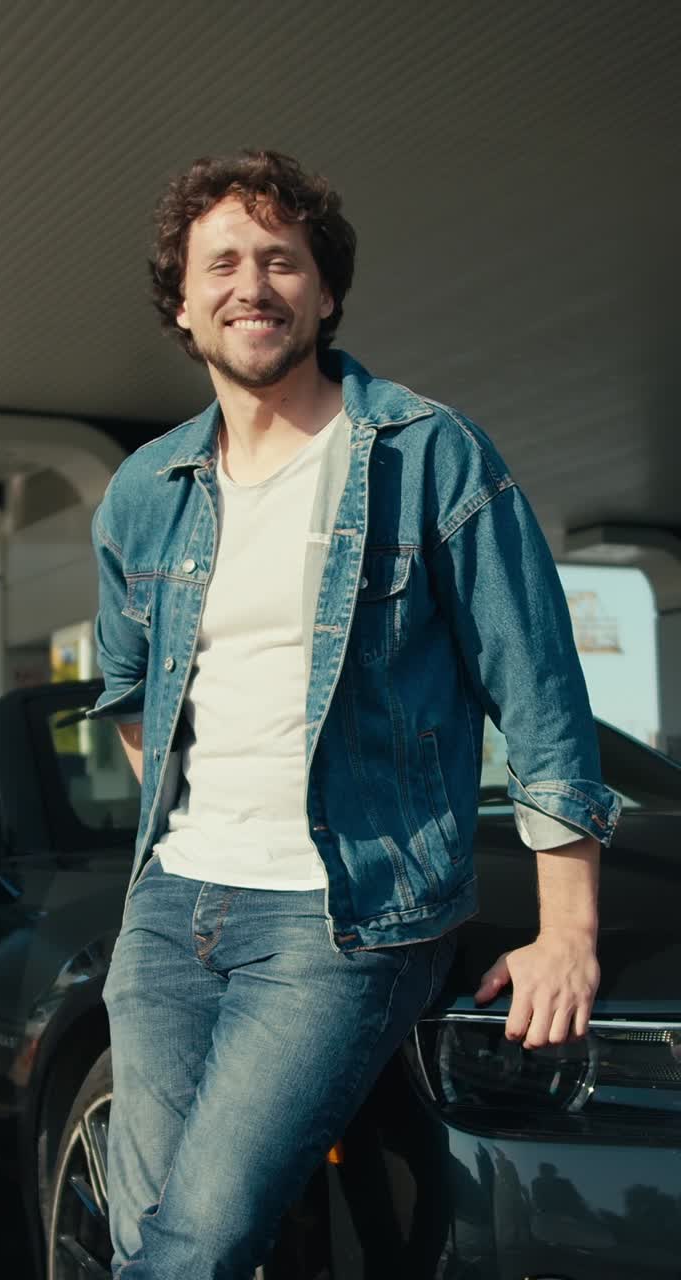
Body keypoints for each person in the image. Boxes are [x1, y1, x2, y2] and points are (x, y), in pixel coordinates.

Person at [88, 148, 622, 1279]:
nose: (253, 284)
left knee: (189, 1245)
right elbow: (133, 690)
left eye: (282, 259)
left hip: (344, 920)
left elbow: (538, 689)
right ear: (182, 305)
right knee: (158, 1234)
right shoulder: (146, 490)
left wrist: (567, 930)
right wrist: (193, 823)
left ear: (325, 291)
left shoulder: (429, 456)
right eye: (222, 262)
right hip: (171, 910)